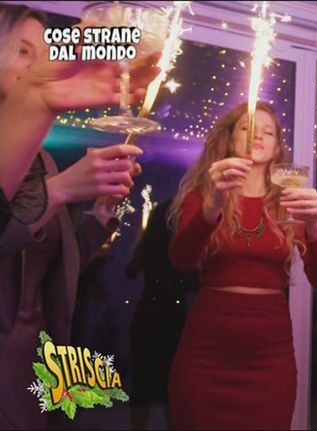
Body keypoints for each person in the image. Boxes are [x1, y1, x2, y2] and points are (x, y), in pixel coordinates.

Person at [0, 5, 160, 429]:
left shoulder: (43, 160)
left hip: (37, 360)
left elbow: (58, 264)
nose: (37, 64)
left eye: (44, 52)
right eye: (23, 50)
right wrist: (59, 191)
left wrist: (100, 213)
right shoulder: (48, 172)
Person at [167, 102, 317, 429]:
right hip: (206, 353)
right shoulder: (204, 195)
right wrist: (212, 206)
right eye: (247, 128)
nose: (258, 136)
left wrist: (314, 227)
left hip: (269, 358)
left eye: (267, 132)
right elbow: (181, 260)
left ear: (277, 148)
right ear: (230, 140)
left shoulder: (289, 201)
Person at [125, 199, 199, 430]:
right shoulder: (176, 252)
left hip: (147, 315)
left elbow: (130, 271)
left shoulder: (147, 248)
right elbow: (192, 282)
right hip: (172, 317)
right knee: (171, 384)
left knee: (142, 383)